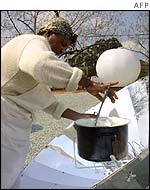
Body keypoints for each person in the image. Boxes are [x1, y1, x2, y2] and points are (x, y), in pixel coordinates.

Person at [1, 17, 119, 189]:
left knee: (10, 173)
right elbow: (40, 64)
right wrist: (88, 83)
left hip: (11, 119)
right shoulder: (34, 42)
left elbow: (48, 102)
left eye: (66, 47)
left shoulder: (30, 66)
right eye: (62, 43)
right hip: (5, 117)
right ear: (48, 33)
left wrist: (80, 117)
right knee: (5, 171)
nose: (62, 50)